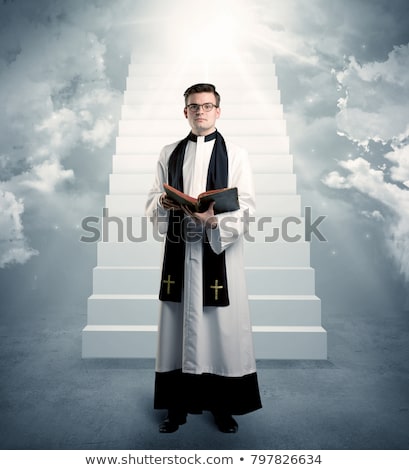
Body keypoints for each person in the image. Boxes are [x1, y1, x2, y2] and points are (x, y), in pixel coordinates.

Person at [146, 83, 262, 433]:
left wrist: (212, 220)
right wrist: (164, 204)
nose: (200, 112)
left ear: (217, 111)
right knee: (177, 331)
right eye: (193, 107)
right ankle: (176, 409)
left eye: (207, 106)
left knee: (221, 332)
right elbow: (153, 198)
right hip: (180, 256)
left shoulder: (237, 154)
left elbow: (248, 206)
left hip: (218, 256)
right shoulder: (169, 153)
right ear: (185, 112)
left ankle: (222, 407)